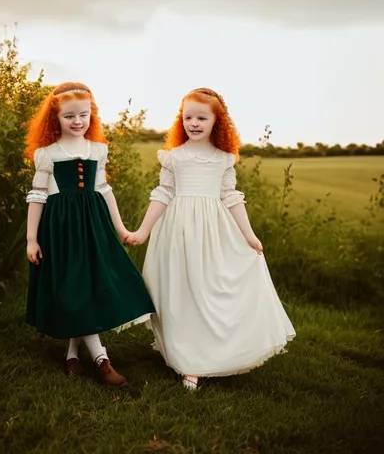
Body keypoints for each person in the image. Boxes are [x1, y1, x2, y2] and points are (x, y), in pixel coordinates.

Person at [125, 87, 295, 390]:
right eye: (188, 117)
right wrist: (143, 230)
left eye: (202, 117)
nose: (194, 123)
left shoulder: (223, 160)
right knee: (181, 292)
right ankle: (188, 360)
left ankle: (209, 355)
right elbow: (163, 194)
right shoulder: (174, 158)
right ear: (182, 120)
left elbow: (230, 197)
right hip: (177, 231)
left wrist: (249, 235)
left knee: (208, 288)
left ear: (217, 121)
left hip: (212, 232)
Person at [25, 82, 155, 386]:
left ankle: (72, 353)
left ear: (91, 115)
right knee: (73, 284)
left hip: (93, 227)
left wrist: (121, 227)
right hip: (60, 229)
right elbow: (37, 196)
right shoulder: (47, 154)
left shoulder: (98, 149)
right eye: (69, 116)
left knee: (87, 284)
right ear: (55, 118)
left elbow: (103, 190)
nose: (77, 121)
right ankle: (101, 358)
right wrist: (32, 238)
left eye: (83, 114)